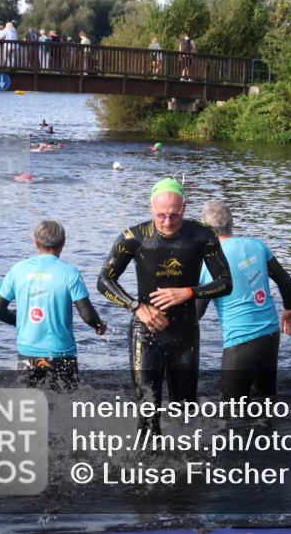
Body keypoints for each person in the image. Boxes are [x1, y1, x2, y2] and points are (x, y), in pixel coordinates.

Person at [97, 178, 233, 432]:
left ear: (184, 208)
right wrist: (136, 306)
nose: (168, 222)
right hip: (145, 332)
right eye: (161, 215)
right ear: (151, 209)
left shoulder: (203, 236)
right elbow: (104, 281)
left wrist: (189, 293)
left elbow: (226, 283)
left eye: (174, 215)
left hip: (184, 335)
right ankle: (145, 466)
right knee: (148, 415)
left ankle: (183, 467)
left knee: (185, 413)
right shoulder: (133, 237)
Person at [197, 200, 291, 400]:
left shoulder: (211, 260)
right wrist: (289, 309)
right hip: (270, 335)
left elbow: (197, 311)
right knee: (267, 400)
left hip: (240, 343)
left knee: (232, 411)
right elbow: (284, 280)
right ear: (231, 223)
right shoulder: (257, 245)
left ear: (206, 231)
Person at [0, 220, 107, 390]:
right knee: (68, 406)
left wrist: (21, 320)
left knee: (29, 408)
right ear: (63, 243)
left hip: (28, 353)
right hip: (61, 354)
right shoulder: (70, 273)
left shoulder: (17, 270)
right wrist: (99, 325)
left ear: (35, 242)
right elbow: (87, 315)